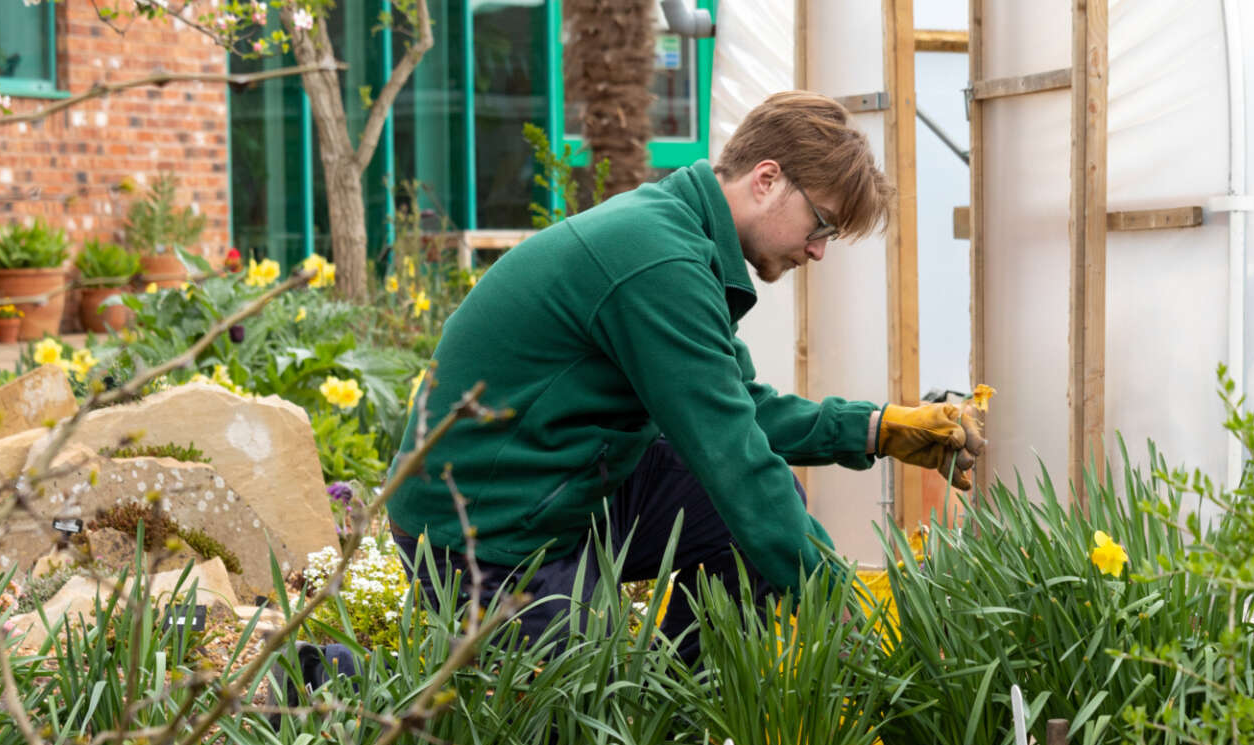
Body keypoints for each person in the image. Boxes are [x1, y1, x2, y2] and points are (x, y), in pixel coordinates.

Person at [385, 90, 986, 660]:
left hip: (558, 480)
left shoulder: (679, 235)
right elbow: (732, 455)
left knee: (737, 522)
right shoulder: (658, 260)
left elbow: (741, 410)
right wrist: (837, 599)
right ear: (768, 178)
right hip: (485, 526)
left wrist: (877, 429)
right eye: (821, 224)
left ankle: (669, 706)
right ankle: (317, 678)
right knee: (569, 730)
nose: (819, 250)